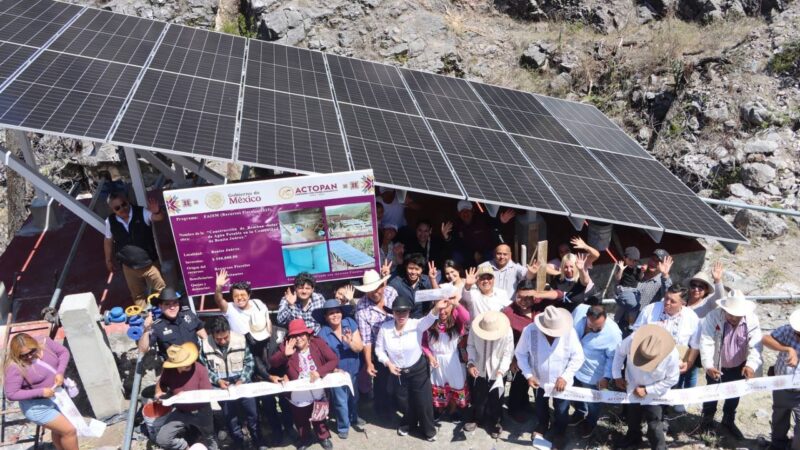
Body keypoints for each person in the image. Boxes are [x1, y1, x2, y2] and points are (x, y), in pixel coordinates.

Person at [374, 296, 448, 442]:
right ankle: (409, 424)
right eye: (398, 312)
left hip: (417, 369)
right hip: (397, 372)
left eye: (405, 312)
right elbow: (379, 350)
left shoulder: (416, 324)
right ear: (393, 313)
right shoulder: (385, 328)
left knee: (423, 401)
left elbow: (429, 318)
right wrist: (388, 363)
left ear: (409, 312)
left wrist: (437, 307)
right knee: (403, 402)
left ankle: (429, 430)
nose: (401, 315)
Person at [515, 305, 584, 449]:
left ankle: (560, 432)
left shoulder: (569, 332)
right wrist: (528, 374)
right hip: (538, 380)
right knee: (540, 405)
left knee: (561, 409)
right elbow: (520, 354)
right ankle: (542, 424)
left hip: (562, 383)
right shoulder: (530, 331)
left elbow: (578, 357)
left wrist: (565, 377)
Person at [698, 290, 762, 439]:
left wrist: (751, 365)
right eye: (729, 313)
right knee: (711, 394)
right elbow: (706, 341)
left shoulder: (751, 320)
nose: (732, 317)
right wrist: (708, 365)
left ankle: (728, 421)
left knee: (734, 395)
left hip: (739, 366)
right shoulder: (713, 317)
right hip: (717, 365)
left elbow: (756, 345)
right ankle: (706, 421)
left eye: (736, 314)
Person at [269, 319, 339, 450]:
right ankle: (305, 439)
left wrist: (320, 371)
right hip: (298, 391)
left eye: (301, 334)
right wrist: (284, 354)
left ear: (307, 335)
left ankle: (323, 436)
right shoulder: (287, 346)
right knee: (301, 418)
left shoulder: (317, 343)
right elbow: (272, 362)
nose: (298, 338)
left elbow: (333, 359)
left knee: (319, 415)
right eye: (294, 336)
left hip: (317, 387)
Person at [634, 284, 701, 414]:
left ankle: (661, 419)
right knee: (639, 394)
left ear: (683, 303)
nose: (667, 303)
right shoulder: (650, 309)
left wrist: (689, 363)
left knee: (663, 399)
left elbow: (695, 344)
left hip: (672, 367)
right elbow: (636, 333)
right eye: (666, 298)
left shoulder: (692, 318)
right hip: (646, 363)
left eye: (673, 301)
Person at [3, 333, 78, 450]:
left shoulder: (44, 342)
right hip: (38, 408)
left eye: (31, 352)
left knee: (60, 431)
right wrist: (41, 392)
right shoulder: (14, 367)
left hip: (56, 399)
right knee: (70, 430)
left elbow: (63, 352)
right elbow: (11, 394)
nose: (28, 357)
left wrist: (60, 372)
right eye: (23, 355)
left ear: (35, 344)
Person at [612, 324, 680, 450]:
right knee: (632, 416)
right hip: (632, 384)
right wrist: (617, 375)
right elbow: (619, 352)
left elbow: (672, 379)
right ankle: (633, 438)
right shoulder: (632, 339)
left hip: (655, 391)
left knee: (654, 423)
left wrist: (648, 390)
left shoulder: (671, 355)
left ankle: (659, 446)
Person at [199, 317, 263, 449]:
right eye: (218, 339)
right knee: (230, 418)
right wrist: (217, 380)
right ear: (212, 334)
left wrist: (243, 379)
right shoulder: (205, 345)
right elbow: (204, 369)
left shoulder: (240, 339)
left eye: (225, 337)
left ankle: (258, 441)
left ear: (229, 331)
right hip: (222, 387)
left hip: (243, 383)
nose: (222, 341)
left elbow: (249, 362)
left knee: (253, 415)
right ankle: (239, 443)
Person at [103, 191, 166, 308]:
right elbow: (108, 240)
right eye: (117, 207)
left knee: (161, 291)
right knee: (137, 296)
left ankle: (164, 314)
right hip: (129, 267)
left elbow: (158, 217)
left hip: (150, 264)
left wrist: (156, 211)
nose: (123, 208)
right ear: (112, 209)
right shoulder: (109, 221)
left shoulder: (141, 212)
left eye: (124, 204)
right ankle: (145, 317)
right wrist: (108, 260)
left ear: (128, 201)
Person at [314, 300, 366, 439]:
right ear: (325, 317)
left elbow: (359, 348)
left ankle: (354, 417)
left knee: (354, 397)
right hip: (337, 373)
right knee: (340, 401)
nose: (335, 315)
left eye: (337, 312)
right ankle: (343, 426)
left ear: (342, 313)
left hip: (353, 368)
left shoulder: (350, 323)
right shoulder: (322, 333)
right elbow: (322, 358)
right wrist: (333, 370)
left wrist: (350, 342)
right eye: (331, 313)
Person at [570, 298, 622, 437]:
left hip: (593, 375)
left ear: (605, 319)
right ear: (586, 317)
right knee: (576, 394)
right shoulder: (579, 310)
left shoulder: (613, 333)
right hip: (573, 367)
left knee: (594, 402)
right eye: (591, 325)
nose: (594, 329)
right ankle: (580, 412)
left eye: (598, 328)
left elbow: (613, 358)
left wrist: (606, 377)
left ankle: (590, 423)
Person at [153, 342, 218, 450]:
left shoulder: (200, 369)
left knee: (210, 437)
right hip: (180, 411)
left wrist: (186, 396)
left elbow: (206, 394)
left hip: (201, 410)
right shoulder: (169, 371)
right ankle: (185, 447)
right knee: (162, 439)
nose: (190, 365)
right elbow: (161, 384)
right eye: (185, 364)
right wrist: (158, 394)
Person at [354, 267, 397, 419]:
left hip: (400, 343)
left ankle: (401, 405)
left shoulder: (392, 292)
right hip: (380, 348)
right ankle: (382, 410)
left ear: (383, 285)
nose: (375, 292)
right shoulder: (361, 308)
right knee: (381, 381)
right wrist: (368, 362)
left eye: (377, 288)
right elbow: (366, 339)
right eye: (370, 290)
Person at [214, 270, 272, 381]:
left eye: (243, 294)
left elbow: (267, 320)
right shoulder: (229, 308)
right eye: (236, 296)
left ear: (249, 295)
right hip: (242, 349)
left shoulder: (258, 303)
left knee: (266, 377)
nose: (240, 298)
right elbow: (218, 299)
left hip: (262, 345)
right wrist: (218, 287)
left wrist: (269, 335)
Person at [465, 311, 514, 438]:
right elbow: (470, 346)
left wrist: (502, 370)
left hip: (497, 371)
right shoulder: (475, 329)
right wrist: (471, 363)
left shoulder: (507, 332)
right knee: (478, 395)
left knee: (497, 398)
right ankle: (477, 418)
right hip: (479, 369)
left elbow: (508, 353)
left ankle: (496, 421)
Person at [421, 295, 469, 419]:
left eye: (446, 308)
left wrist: (456, 303)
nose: (442, 312)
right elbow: (424, 344)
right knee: (438, 386)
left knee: (454, 385)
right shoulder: (429, 323)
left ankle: (452, 410)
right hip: (436, 360)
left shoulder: (456, 322)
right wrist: (430, 356)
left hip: (453, 359)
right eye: (439, 308)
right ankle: (440, 409)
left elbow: (467, 317)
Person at [503, 279, 541, 422]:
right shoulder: (508, 312)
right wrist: (512, 359)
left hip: (539, 354)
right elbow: (506, 339)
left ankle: (525, 404)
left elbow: (561, 295)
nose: (523, 301)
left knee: (533, 381)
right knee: (518, 382)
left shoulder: (541, 305)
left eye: (527, 297)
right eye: (519, 297)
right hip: (519, 355)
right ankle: (514, 409)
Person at [762, 308, 800, 450]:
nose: (797, 337)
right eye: (797, 334)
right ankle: (778, 445)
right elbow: (766, 339)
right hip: (781, 385)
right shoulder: (787, 330)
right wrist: (788, 349)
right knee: (779, 418)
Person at [139, 288, 207, 358]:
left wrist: (208, 350)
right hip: (174, 365)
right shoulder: (157, 326)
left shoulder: (187, 313)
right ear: (160, 306)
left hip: (195, 359)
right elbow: (143, 350)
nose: (172, 307)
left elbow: (200, 329)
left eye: (175, 303)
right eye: (167, 304)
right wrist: (146, 330)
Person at [616, 249, 673, 333]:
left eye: (658, 262)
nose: (653, 263)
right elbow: (620, 284)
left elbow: (670, 294)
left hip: (639, 327)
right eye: (652, 259)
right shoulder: (637, 271)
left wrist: (665, 274)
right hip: (622, 321)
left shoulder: (662, 282)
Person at [449, 201, 515, 266]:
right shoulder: (457, 225)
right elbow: (454, 242)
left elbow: (494, 224)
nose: (465, 214)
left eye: (467, 211)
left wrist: (501, 221)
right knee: (456, 256)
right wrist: (446, 237)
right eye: (462, 212)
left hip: (487, 251)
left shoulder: (482, 218)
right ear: (459, 214)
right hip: (469, 255)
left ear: (472, 211)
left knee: (496, 255)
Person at [524, 253, 594, 313]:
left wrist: (581, 270)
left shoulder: (579, 279)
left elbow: (585, 281)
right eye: (566, 267)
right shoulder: (558, 279)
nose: (569, 270)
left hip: (576, 314)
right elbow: (553, 295)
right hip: (560, 315)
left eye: (571, 267)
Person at [388, 253, 437, 319]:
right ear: (406, 267)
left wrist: (433, 279)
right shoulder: (397, 282)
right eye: (410, 268)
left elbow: (438, 298)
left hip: (424, 321)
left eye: (417, 269)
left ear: (422, 269)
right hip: (405, 322)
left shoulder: (427, 281)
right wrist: (384, 277)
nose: (413, 272)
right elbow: (385, 294)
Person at [613, 246, 643, 317]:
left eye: (635, 261)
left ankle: (618, 319)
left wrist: (642, 271)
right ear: (624, 258)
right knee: (634, 305)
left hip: (634, 290)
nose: (632, 262)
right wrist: (621, 269)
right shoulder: (622, 266)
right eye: (630, 260)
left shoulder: (637, 268)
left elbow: (639, 278)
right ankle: (631, 324)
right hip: (623, 289)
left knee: (625, 308)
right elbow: (617, 278)